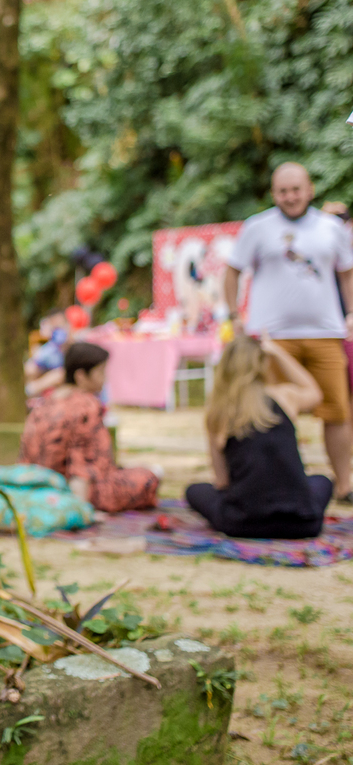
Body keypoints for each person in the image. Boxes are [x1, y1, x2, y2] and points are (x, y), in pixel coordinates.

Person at [224, 162, 353, 502]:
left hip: (326, 332)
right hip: (271, 337)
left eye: (296, 189)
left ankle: (344, 484)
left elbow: (347, 274)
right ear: (273, 193)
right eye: (283, 191)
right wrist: (233, 314)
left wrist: (351, 313)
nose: (290, 197)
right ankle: (271, 483)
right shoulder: (257, 227)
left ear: (309, 189)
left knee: (338, 412)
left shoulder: (331, 228)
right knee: (269, 413)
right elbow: (232, 270)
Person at [186, 336, 329, 539]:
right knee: (322, 481)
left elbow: (222, 482)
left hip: (243, 522)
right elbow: (314, 392)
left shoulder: (218, 413)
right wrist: (277, 351)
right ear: (262, 364)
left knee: (195, 490)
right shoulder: (283, 397)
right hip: (302, 523)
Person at [19, 343, 159, 512]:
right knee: (149, 477)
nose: (105, 379)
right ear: (81, 376)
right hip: (77, 491)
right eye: (100, 372)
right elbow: (82, 468)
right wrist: (82, 509)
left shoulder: (43, 404)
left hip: (35, 485)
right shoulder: (87, 406)